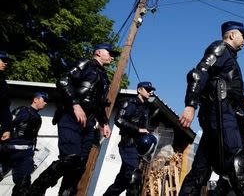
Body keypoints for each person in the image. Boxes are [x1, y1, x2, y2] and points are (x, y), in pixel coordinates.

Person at [178, 21, 244, 196]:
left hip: (221, 117)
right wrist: (190, 105)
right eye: (243, 36)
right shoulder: (220, 48)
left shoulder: (230, 57)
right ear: (232, 35)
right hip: (221, 115)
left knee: (200, 171)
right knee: (239, 165)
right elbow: (198, 74)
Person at [29, 43, 118, 196]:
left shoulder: (103, 77)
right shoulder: (85, 64)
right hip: (70, 117)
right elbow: (63, 81)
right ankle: (36, 189)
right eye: (109, 52)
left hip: (89, 123)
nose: (111, 56)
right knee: (70, 158)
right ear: (98, 52)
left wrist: (104, 123)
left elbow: (99, 103)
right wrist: (75, 105)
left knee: (79, 166)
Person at [103, 81, 158, 196]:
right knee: (134, 177)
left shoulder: (146, 108)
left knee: (122, 181)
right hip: (128, 145)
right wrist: (137, 129)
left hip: (138, 148)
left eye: (151, 90)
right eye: (147, 89)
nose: (150, 92)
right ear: (139, 90)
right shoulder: (130, 103)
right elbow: (119, 120)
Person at [0, 92, 48, 195]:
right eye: (44, 100)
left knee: (23, 185)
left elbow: (34, 137)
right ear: (36, 100)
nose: (46, 103)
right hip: (8, 151)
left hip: (25, 155)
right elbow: (6, 124)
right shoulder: (22, 110)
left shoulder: (38, 118)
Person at [215, 90, 244, 196]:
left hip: (235, 149)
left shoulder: (236, 110)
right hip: (235, 150)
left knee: (225, 183)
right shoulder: (235, 110)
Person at [0, 51, 12, 142]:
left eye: (6, 61)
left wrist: (6, 129)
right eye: (3, 60)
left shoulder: (3, 84)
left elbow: (5, 108)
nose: (6, 63)